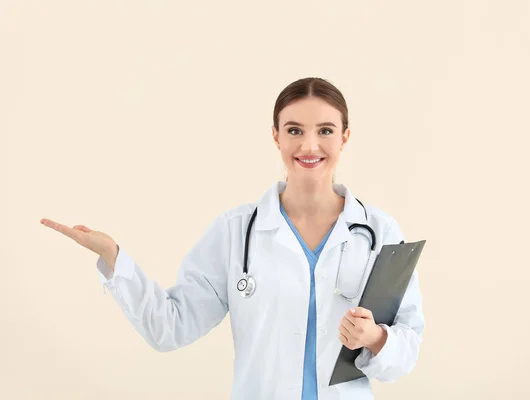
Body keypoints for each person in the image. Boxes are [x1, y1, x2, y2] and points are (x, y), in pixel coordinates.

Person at [40, 77, 425, 400]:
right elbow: (170, 327)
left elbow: (407, 347)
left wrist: (375, 337)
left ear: (345, 137)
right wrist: (114, 259)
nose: (309, 146)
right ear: (276, 137)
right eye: (294, 130)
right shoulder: (235, 232)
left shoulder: (379, 232)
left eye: (325, 130)